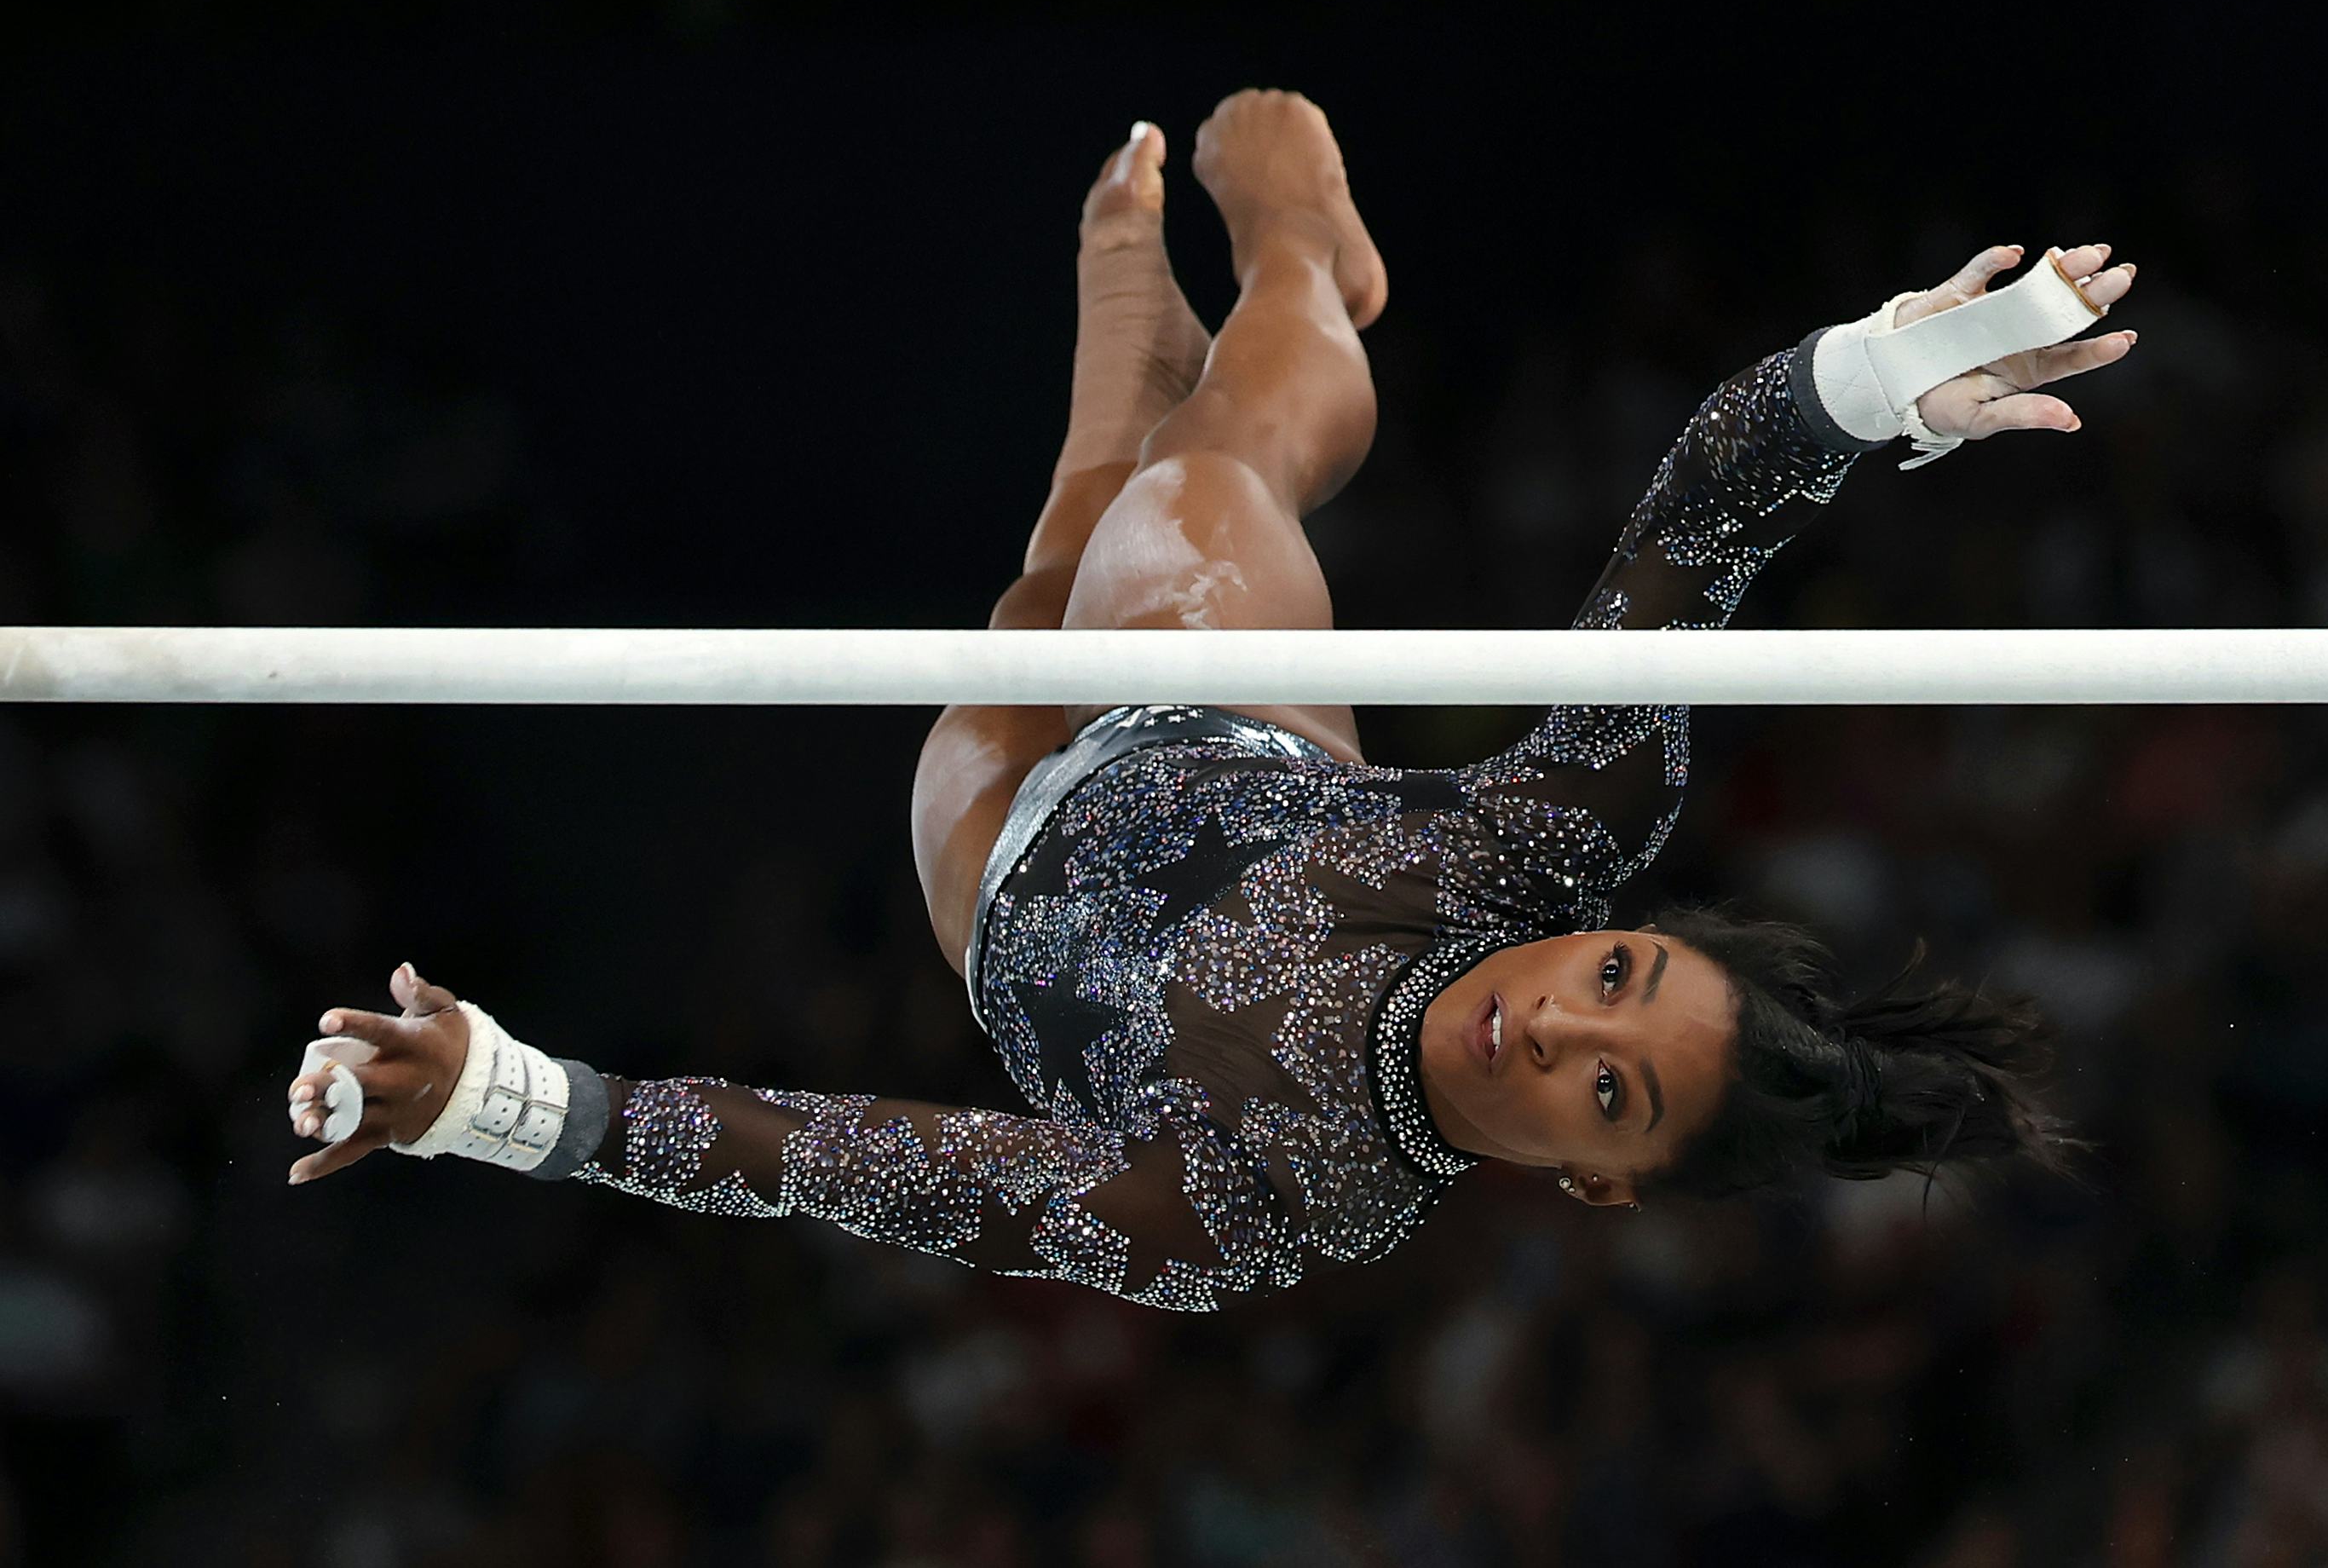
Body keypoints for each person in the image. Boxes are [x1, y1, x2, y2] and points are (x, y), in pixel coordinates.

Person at [283, 90, 2132, 1310]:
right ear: (1621, 934)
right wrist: (1891, 373)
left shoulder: (1269, 1208)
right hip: (1229, 727)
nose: (1561, 1025)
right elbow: (1708, 498)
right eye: (1619, 982)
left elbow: (885, 1169)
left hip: (996, 865)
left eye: (1607, 1095)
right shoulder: (1547, 845)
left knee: (1060, 571)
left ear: (1596, 1188)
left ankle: (1139, 377)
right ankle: (1285, 262)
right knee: (1193, 506)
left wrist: (513, 1104)